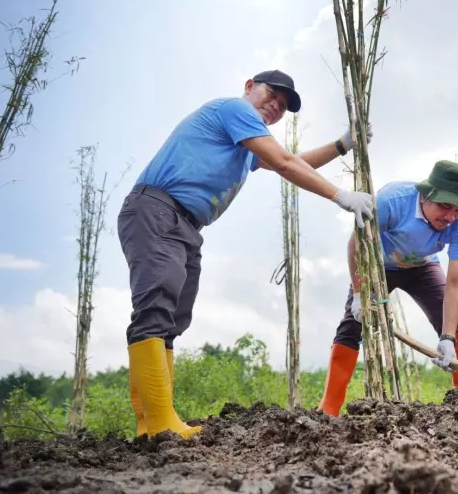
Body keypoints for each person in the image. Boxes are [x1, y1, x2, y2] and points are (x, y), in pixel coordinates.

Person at [118, 69, 376, 439]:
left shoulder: (243, 144)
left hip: (185, 225)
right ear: (249, 87)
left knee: (172, 320)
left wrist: (341, 145)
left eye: (283, 106)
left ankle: (150, 424)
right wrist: (340, 196)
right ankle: (159, 422)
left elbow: (288, 161)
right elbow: (286, 164)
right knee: (155, 310)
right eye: (272, 94)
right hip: (158, 211)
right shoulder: (233, 110)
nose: (275, 106)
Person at [318, 160, 458, 416]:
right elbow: (355, 245)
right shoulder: (392, 201)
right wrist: (360, 292)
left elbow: (455, 282)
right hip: (378, 266)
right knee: (352, 324)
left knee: (450, 322)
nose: (451, 216)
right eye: (445, 206)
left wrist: (447, 337)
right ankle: (328, 410)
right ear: (426, 195)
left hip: (422, 267)